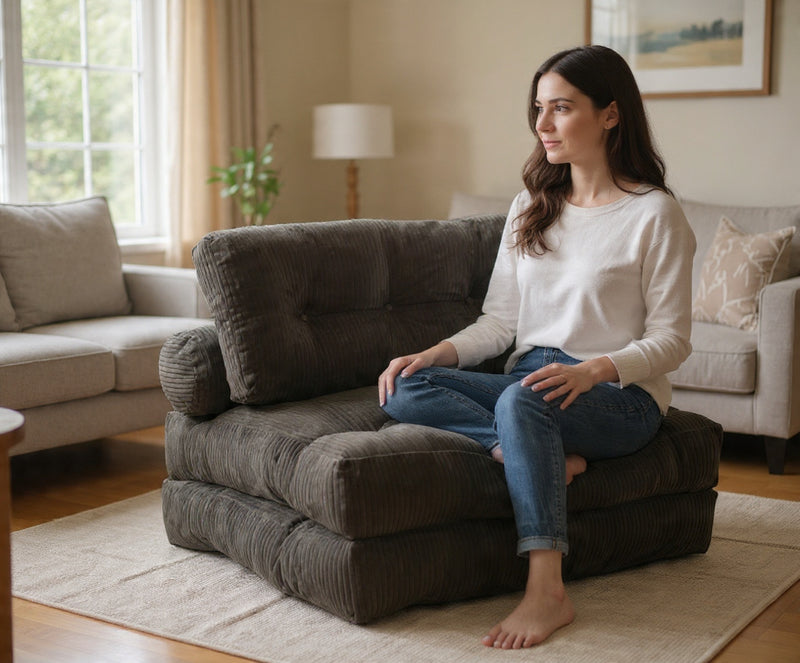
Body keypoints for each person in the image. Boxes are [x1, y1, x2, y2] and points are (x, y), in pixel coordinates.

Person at [378, 45, 696, 650]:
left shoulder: (655, 214)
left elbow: (673, 339)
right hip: (530, 381)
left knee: (523, 402)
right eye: (538, 109)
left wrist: (600, 369)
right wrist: (434, 353)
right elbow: (500, 322)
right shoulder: (532, 206)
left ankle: (546, 589)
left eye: (561, 109)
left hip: (615, 394)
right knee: (404, 386)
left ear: (609, 114)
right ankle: (529, 449)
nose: (542, 126)